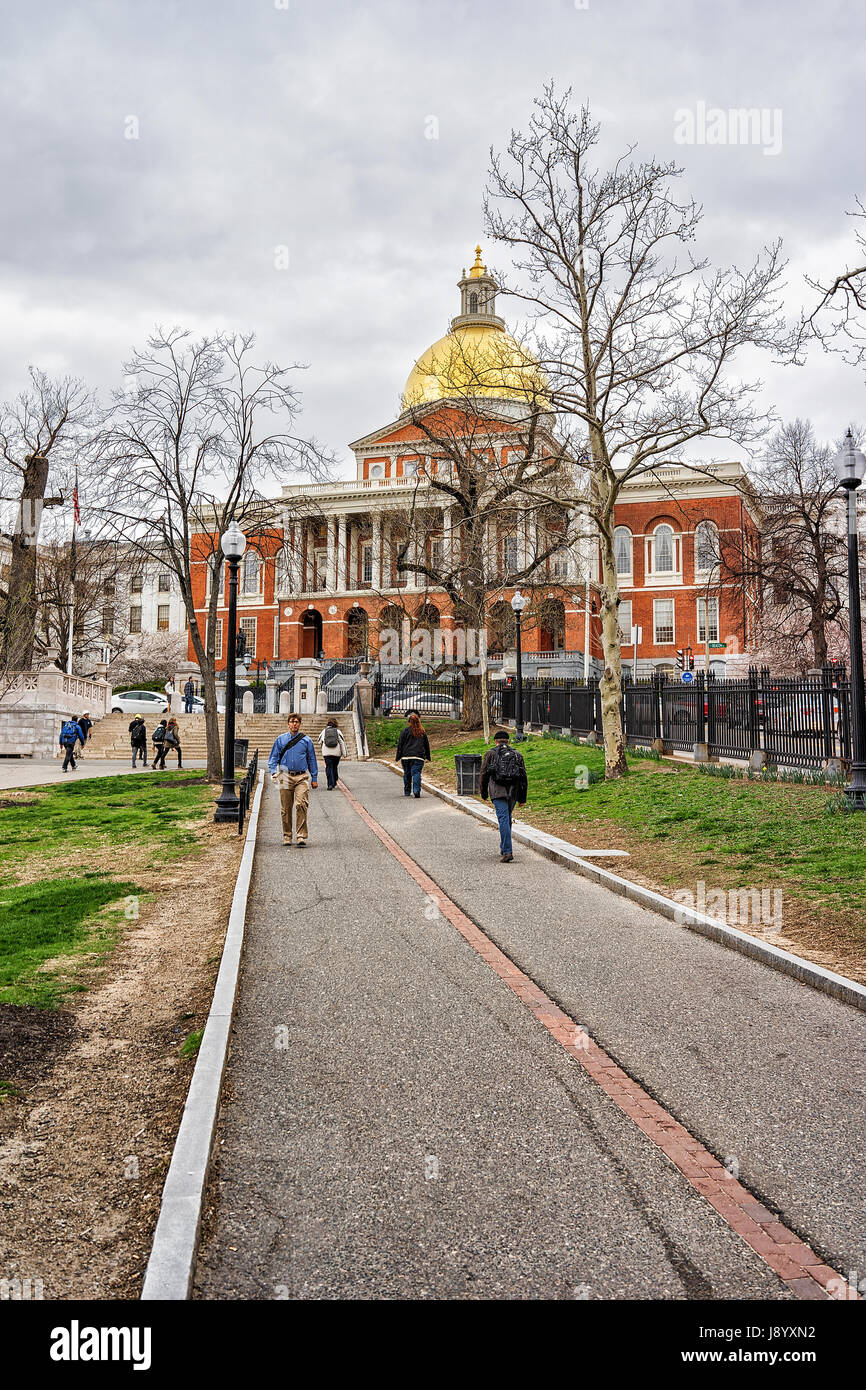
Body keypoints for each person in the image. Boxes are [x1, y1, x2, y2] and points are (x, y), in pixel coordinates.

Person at [268, 713, 318, 847]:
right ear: (288, 723)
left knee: (301, 804)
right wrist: (273, 772)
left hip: (301, 776)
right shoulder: (280, 739)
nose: (294, 724)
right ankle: (287, 835)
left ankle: (301, 836)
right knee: (286, 808)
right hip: (284, 776)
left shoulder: (306, 741)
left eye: (297, 722)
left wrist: (315, 777)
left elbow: (312, 759)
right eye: (292, 721)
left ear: (300, 724)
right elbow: (273, 757)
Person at [480, 728, 528, 864]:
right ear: (508, 741)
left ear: (496, 741)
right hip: (513, 792)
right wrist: (522, 798)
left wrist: (484, 793)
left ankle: (507, 851)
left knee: (503, 819)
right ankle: (504, 847)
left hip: (497, 791)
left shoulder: (490, 754)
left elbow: (484, 775)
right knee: (506, 818)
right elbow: (523, 776)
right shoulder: (517, 754)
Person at [394, 711, 431, 798]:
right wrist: (428, 756)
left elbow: (400, 745)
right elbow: (426, 745)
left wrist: (398, 756)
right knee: (416, 773)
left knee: (407, 773)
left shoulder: (405, 731)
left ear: (409, 722)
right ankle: (416, 790)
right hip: (418, 757)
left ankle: (407, 791)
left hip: (406, 756)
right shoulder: (422, 732)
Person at [317, 718, 348, 789]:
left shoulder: (324, 731)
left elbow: (319, 741)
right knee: (334, 766)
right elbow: (342, 742)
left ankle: (330, 784)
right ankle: (334, 780)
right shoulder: (338, 731)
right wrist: (344, 753)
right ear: (336, 724)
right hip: (336, 753)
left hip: (327, 753)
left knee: (328, 767)